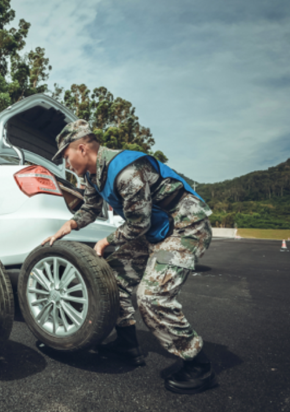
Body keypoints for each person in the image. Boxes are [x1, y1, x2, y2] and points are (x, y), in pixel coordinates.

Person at [43, 119, 216, 394]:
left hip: (185, 226)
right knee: (111, 278)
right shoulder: (91, 175)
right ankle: (127, 344)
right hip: (157, 228)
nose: (66, 164)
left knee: (152, 297)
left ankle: (198, 364)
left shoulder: (126, 171)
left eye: (66, 156)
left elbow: (138, 224)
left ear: (83, 148)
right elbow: (90, 208)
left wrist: (105, 241)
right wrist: (69, 226)